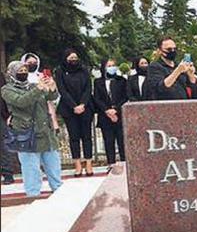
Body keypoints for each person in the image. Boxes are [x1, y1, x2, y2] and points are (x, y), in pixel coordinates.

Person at [2, 61, 62, 196]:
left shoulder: (34, 86)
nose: (23, 73)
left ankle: (58, 190)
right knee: (31, 169)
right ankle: (33, 195)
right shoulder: (7, 89)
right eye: (20, 70)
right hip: (26, 134)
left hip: (45, 132)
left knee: (53, 165)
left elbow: (50, 97)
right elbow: (21, 102)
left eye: (25, 70)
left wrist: (52, 88)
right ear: (12, 73)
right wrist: (38, 89)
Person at [54, 48, 95, 177]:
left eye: (75, 58)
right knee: (74, 137)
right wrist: (74, 106)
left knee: (87, 137)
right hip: (68, 109)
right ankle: (77, 164)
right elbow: (62, 90)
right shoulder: (60, 71)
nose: (73, 60)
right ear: (65, 58)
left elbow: (88, 87)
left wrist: (82, 104)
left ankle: (88, 163)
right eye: (70, 58)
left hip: (85, 107)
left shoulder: (84, 70)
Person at [93, 58, 128, 164]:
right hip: (105, 116)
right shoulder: (98, 82)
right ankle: (111, 164)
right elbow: (97, 98)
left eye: (113, 65)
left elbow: (125, 97)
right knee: (108, 141)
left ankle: (124, 163)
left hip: (119, 115)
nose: (111, 68)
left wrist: (115, 109)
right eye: (109, 66)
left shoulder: (121, 80)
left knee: (122, 141)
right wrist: (107, 110)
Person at [147, 36, 196, 101]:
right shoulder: (155, 67)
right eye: (169, 49)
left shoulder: (179, 65)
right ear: (160, 51)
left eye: (174, 49)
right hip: (165, 105)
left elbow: (192, 89)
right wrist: (178, 71)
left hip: (183, 104)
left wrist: (191, 75)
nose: (172, 51)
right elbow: (161, 88)